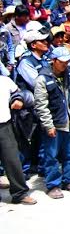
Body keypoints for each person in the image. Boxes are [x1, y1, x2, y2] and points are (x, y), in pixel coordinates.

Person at [33, 46, 70, 198]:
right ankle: (53, 185)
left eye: (67, 62)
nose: (65, 65)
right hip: (55, 123)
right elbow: (41, 105)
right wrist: (48, 125)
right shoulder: (43, 78)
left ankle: (69, 180)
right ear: (53, 61)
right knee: (52, 156)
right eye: (62, 62)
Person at [0, 74, 34, 204]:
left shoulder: (5, 81)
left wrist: (19, 99)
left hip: (4, 125)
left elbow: (22, 94)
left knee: (12, 159)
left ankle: (19, 193)